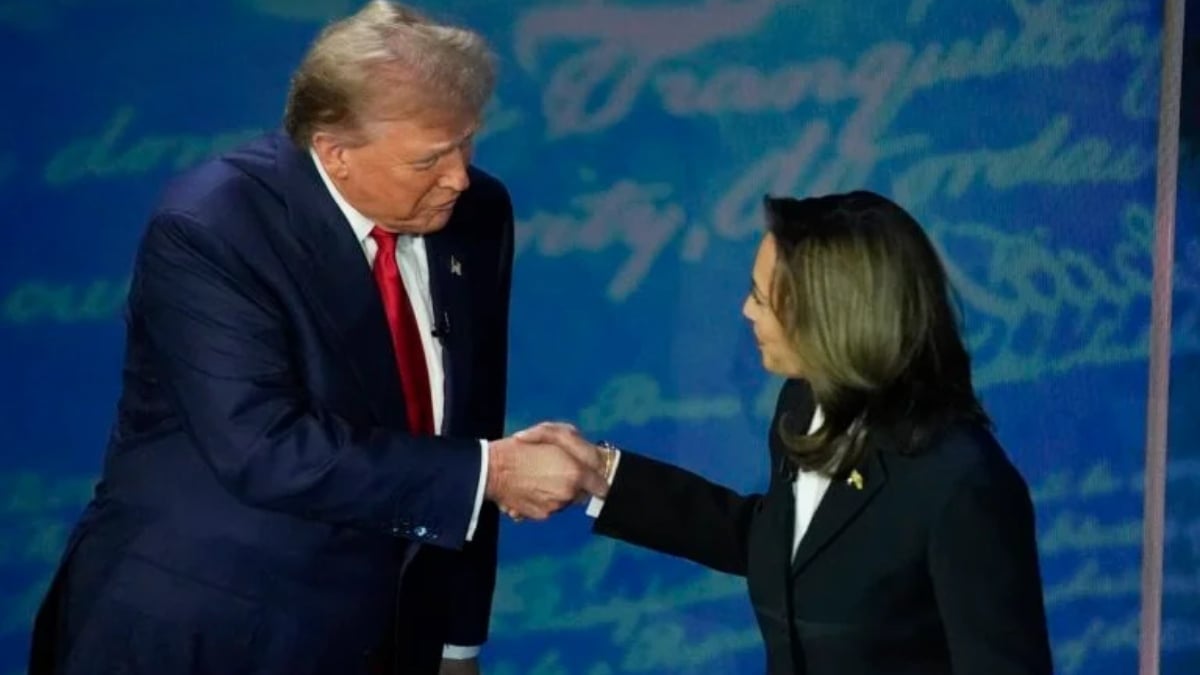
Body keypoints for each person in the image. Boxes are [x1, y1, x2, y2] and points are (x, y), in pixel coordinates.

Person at [27, 2, 605, 674]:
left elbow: (469, 420)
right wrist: (497, 471)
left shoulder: (476, 213)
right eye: (431, 157)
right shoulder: (214, 227)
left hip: (382, 639)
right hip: (205, 631)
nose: (458, 175)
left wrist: (455, 639)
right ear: (335, 151)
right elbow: (265, 446)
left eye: (467, 142)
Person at [520, 191, 1054, 674]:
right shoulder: (801, 406)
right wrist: (603, 475)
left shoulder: (961, 483)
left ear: (831, 317)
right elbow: (783, 544)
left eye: (760, 295)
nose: (746, 309)